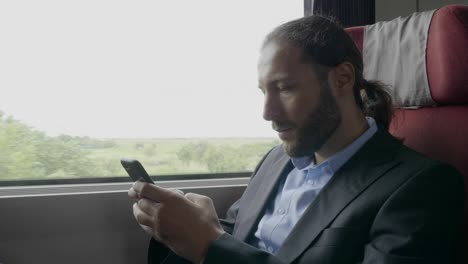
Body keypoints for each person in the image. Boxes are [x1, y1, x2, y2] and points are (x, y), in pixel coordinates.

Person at [128, 15, 464, 264]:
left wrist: (211, 245)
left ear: (343, 79)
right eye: (264, 91)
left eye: (285, 88)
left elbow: (221, 248)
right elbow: (240, 238)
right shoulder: (276, 161)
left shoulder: (424, 187)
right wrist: (181, 228)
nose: (267, 112)